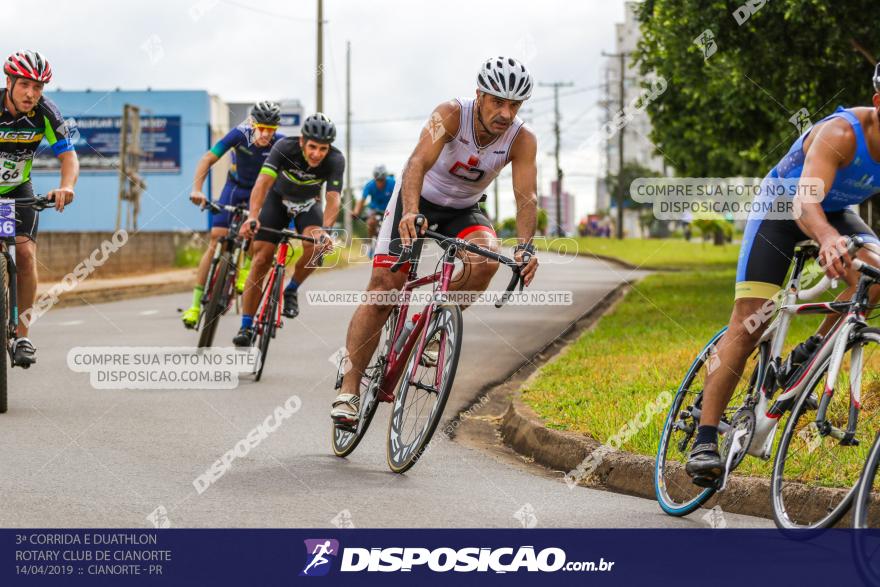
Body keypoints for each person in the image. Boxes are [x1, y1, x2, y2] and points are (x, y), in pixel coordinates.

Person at [685, 64, 880, 487]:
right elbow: (805, 204)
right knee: (751, 320)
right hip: (784, 207)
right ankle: (704, 437)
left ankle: (808, 354)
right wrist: (827, 240)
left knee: (877, 276)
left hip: (834, 213)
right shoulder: (842, 134)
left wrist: (833, 232)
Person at [331, 56, 540, 424]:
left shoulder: (522, 139)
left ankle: (430, 327)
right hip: (416, 198)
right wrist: (410, 211)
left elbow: (527, 197)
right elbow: (416, 163)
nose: (506, 113)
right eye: (498, 102)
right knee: (383, 291)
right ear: (479, 95)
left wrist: (525, 247)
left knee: (487, 259)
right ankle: (349, 389)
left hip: (464, 209)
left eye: (514, 105)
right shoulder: (450, 114)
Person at [234, 113, 343, 346]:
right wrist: (252, 217)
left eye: (323, 149)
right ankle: (245, 326)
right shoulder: (285, 147)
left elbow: (333, 198)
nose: (317, 154)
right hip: (277, 201)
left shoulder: (335, 160)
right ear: (302, 141)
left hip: (308, 205)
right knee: (262, 259)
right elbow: (263, 183)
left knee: (317, 248)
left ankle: (291, 289)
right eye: (312, 147)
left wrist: (325, 230)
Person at [1, 50, 77, 366]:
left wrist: (67, 186)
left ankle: (23, 336)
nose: (31, 94)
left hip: (17, 190)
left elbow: (68, 157)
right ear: (8, 82)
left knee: (26, 254)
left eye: (38, 87)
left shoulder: (47, 113)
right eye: (24, 85)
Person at [182, 101, 283, 328]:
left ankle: (245, 268)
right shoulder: (239, 134)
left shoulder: (280, 143)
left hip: (261, 194)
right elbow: (208, 158)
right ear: (252, 124)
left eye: (271, 129)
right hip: (235, 188)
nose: (266, 133)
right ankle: (195, 306)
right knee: (217, 237)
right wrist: (197, 189)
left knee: (255, 232)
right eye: (261, 127)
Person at [352, 164, 395, 258]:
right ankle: (371, 244)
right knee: (371, 222)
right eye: (378, 180)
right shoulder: (370, 185)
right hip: (374, 209)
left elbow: (399, 197)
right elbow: (362, 200)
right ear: (375, 178)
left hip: (388, 209)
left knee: (393, 225)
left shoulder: (392, 183)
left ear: (385, 178)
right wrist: (356, 212)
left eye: (382, 180)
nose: (380, 183)